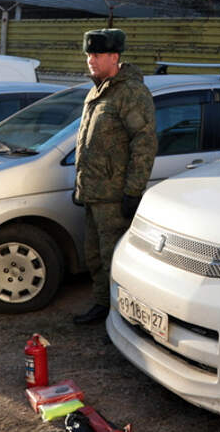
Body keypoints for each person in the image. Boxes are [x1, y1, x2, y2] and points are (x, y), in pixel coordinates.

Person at [72, 28, 157, 325]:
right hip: (93, 192)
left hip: (113, 195)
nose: (90, 60)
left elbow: (144, 142)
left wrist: (133, 191)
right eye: (88, 54)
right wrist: (80, 185)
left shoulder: (130, 92)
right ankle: (101, 305)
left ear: (114, 56)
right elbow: (86, 142)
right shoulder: (97, 90)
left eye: (96, 55)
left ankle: (121, 316)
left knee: (114, 259)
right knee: (94, 257)